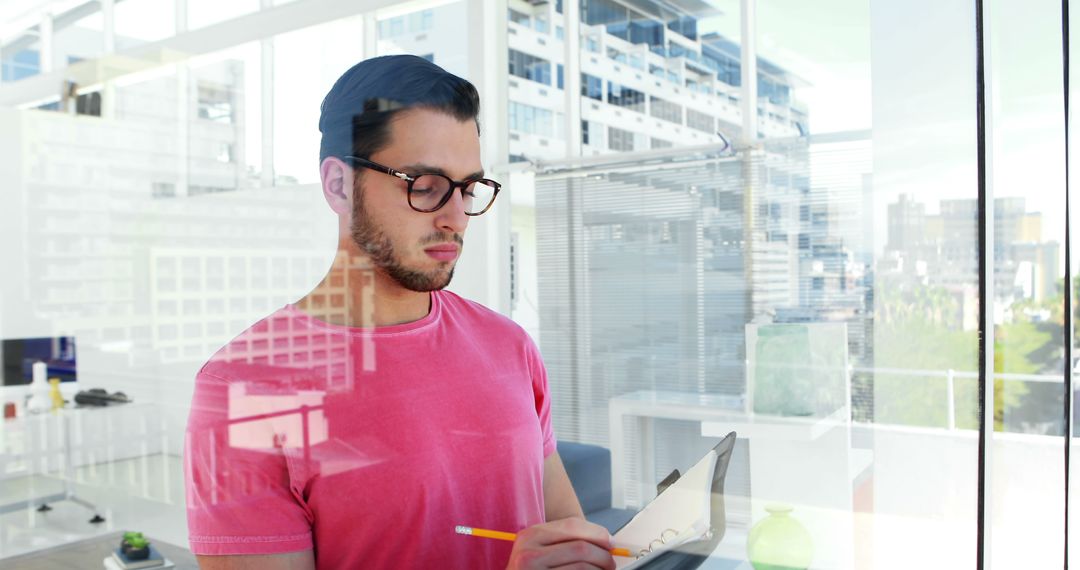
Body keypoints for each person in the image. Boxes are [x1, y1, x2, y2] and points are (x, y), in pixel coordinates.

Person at [183, 55, 617, 569]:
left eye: (468, 188)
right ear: (339, 186)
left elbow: (565, 537)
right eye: (425, 185)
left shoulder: (509, 346)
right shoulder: (244, 391)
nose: (456, 218)